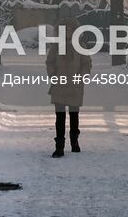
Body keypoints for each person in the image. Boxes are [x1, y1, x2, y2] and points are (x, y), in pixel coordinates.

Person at [45, 23, 91, 158]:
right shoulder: (56, 46)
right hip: (59, 85)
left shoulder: (81, 46)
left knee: (74, 115)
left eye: (70, 30)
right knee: (60, 117)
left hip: (75, 86)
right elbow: (50, 62)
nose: (68, 33)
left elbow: (86, 63)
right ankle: (59, 146)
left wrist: (82, 76)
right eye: (65, 30)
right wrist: (53, 75)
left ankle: (74, 142)